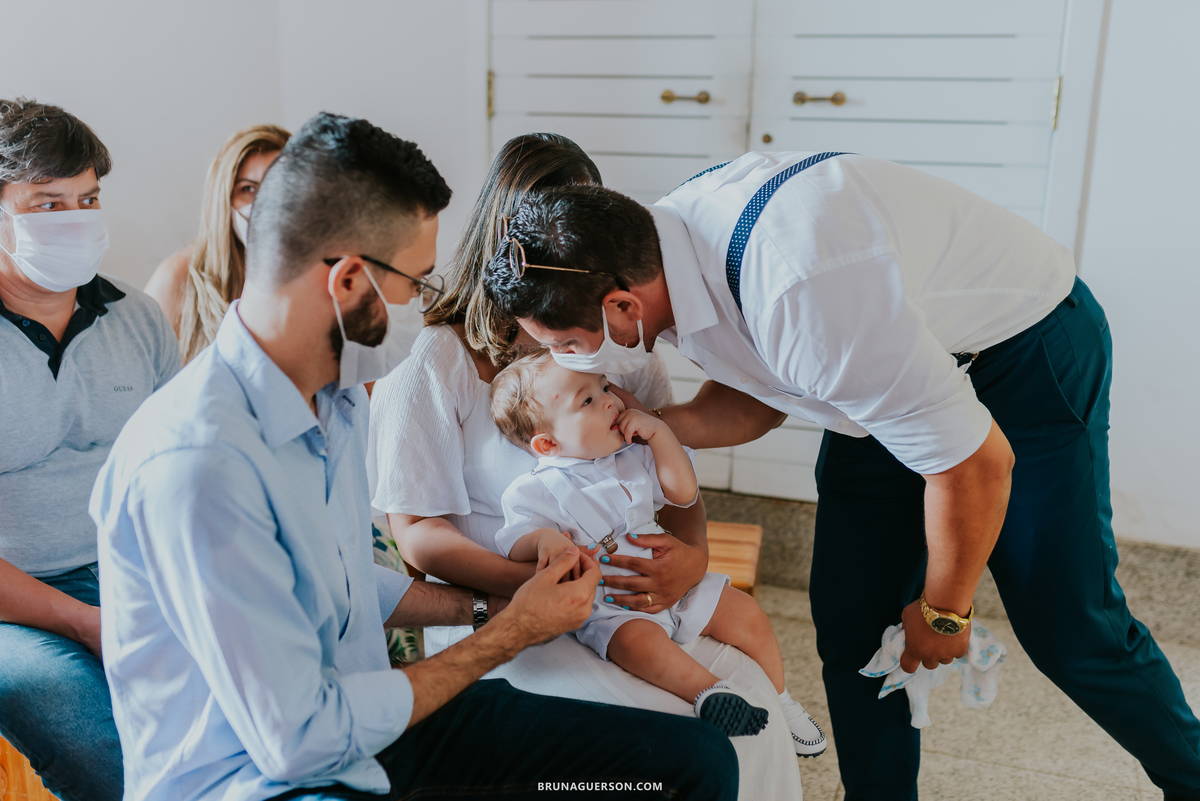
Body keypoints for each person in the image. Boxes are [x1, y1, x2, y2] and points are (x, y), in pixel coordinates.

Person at [481, 152, 1200, 801]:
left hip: (1024, 348)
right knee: (853, 614)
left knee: (1068, 624)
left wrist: (945, 609)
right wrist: (658, 425)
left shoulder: (805, 294)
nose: (586, 365)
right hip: (890, 360)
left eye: (574, 345)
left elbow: (975, 463)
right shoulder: (664, 252)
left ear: (621, 306)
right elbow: (758, 392)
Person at [90, 112, 737, 801]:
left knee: (687, 761)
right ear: (347, 282)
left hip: (375, 731)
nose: (424, 303)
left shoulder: (331, 404)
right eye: (416, 282)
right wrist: (508, 634)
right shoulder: (197, 465)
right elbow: (300, 738)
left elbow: (342, 584)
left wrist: (495, 605)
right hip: (268, 778)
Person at [369, 133, 802, 798]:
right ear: (501, 247)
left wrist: (690, 556)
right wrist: (534, 587)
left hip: (635, 596)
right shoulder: (436, 365)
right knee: (680, 731)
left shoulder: (617, 352)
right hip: (511, 617)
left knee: (759, 713)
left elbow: (668, 476)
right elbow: (419, 532)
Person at [490, 350, 827, 755]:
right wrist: (545, 541)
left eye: (604, 387)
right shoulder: (529, 490)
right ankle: (711, 695)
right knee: (636, 646)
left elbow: (682, 494)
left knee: (747, 615)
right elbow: (514, 540)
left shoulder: (634, 455)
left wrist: (660, 435)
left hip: (677, 579)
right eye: (588, 401)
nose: (611, 401)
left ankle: (783, 699)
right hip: (613, 601)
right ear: (548, 443)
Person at [0, 98, 181, 801]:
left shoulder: (137, 318)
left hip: (131, 575)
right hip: (15, 605)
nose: (75, 219)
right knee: (83, 717)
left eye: (88, 198)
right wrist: (83, 620)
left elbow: (176, 479)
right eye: (48, 204)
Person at [144, 124, 290, 362]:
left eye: (278, 186)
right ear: (223, 197)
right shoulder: (177, 279)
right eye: (248, 189)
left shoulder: (318, 277)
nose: (264, 203)